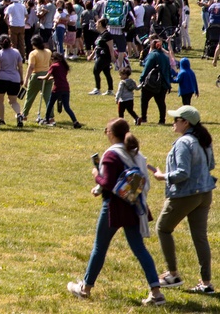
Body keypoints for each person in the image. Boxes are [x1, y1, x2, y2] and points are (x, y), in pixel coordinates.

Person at [68, 119, 164, 305]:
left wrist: (97, 176)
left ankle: (85, 289)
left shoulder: (112, 155)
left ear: (112, 134)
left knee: (99, 247)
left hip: (113, 207)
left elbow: (110, 184)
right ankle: (156, 293)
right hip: (135, 207)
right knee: (140, 250)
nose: (106, 133)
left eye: (106, 130)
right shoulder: (135, 153)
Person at [150, 105, 216, 293]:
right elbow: (211, 165)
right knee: (200, 238)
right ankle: (206, 284)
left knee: (163, 228)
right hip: (205, 193)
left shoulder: (183, 143)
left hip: (187, 194)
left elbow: (182, 173)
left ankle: (172, 274)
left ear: (185, 122)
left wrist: (162, 176)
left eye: (175, 119)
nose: (173, 122)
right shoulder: (203, 140)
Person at [41, 52, 81, 128]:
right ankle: (75, 121)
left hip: (57, 88)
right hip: (66, 88)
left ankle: (46, 119)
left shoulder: (54, 66)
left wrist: (40, 77)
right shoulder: (64, 66)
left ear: (54, 59)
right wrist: (53, 78)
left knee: (50, 104)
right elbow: (60, 76)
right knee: (67, 107)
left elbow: (46, 77)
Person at [139, 39, 172, 126]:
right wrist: (168, 84)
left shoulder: (152, 55)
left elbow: (147, 68)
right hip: (163, 83)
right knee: (161, 102)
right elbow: (168, 70)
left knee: (144, 100)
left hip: (151, 83)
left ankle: (144, 117)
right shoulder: (165, 57)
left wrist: (142, 79)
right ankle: (162, 120)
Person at [0, 34, 24, 128]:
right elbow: (21, 66)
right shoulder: (16, 52)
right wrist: (21, 78)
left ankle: (2, 119)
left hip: (1, 78)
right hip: (14, 79)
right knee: (13, 101)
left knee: (0, 101)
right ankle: (18, 114)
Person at [22, 34, 54, 123]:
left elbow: (31, 67)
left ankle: (24, 114)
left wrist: (26, 79)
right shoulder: (48, 52)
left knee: (30, 96)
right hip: (48, 76)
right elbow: (51, 64)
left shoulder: (33, 53)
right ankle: (51, 117)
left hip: (37, 76)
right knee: (48, 97)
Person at [88, 18, 116, 96]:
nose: (96, 25)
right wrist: (91, 55)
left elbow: (111, 47)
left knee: (96, 71)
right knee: (107, 73)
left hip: (105, 56)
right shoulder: (101, 34)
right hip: (100, 55)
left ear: (100, 24)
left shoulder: (107, 34)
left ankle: (97, 89)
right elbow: (97, 46)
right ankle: (110, 90)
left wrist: (112, 56)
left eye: (96, 23)